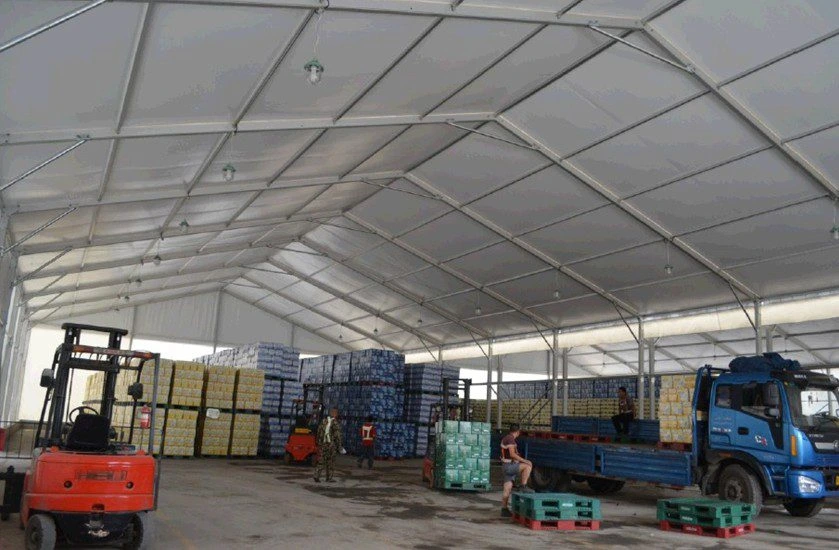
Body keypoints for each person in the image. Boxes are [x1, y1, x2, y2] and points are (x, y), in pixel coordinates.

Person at [500, 423, 533, 518]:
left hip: (506, 466)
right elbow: (512, 454)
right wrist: (524, 460)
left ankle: (504, 509)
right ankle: (523, 486)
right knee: (527, 466)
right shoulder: (510, 439)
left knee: (507, 488)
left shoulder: (507, 438)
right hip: (509, 466)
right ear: (518, 432)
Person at [314, 408, 344, 483]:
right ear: (335, 413)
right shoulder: (335, 422)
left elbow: (318, 431)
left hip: (323, 444)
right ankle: (329, 477)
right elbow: (337, 435)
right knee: (330, 462)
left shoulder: (324, 421)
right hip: (331, 445)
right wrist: (339, 446)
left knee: (321, 460)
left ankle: (316, 475)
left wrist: (318, 442)